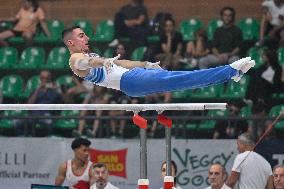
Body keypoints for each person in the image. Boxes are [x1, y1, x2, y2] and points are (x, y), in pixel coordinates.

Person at [62, 26, 255, 98]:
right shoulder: (75, 59)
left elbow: (125, 63)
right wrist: (102, 61)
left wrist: (145, 64)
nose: (86, 37)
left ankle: (231, 74)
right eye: (81, 35)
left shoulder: (91, 56)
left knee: (180, 81)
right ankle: (230, 71)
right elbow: (85, 63)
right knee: (181, 79)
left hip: (131, 85)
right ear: (70, 42)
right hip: (131, 82)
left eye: (85, 34)